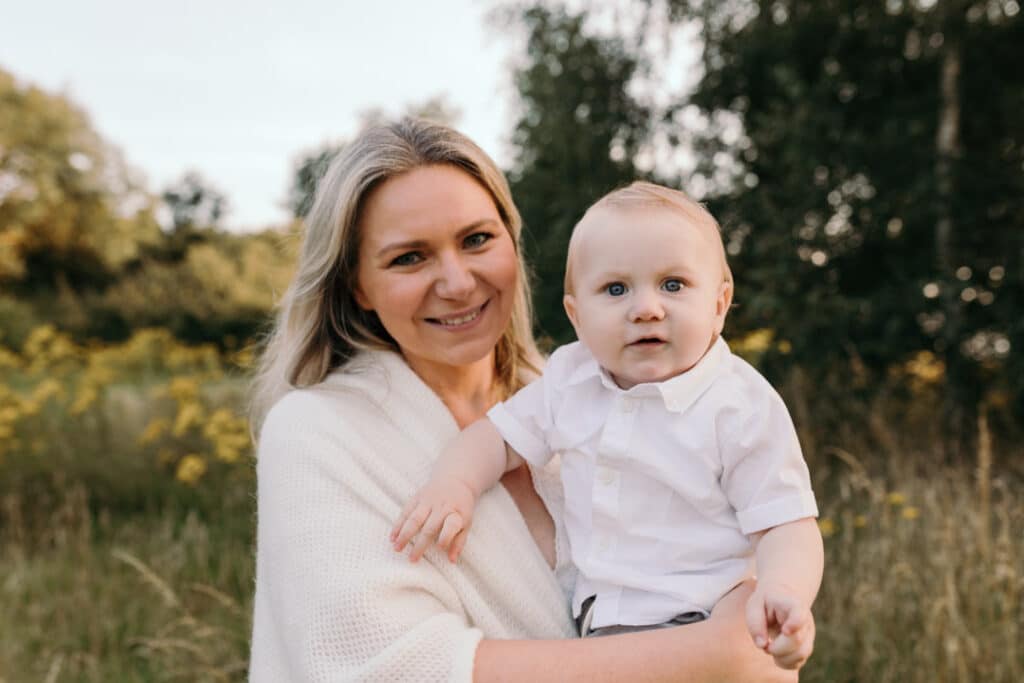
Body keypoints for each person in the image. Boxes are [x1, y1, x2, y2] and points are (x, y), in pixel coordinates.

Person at [248, 118, 805, 681]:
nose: (458, 282)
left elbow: (766, 535)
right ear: (357, 286)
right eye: (409, 258)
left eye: (476, 240)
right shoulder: (317, 430)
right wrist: (717, 654)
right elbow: (378, 667)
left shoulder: (586, 391)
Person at [392, 181, 824, 669]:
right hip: (602, 632)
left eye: (673, 285)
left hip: (705, 615)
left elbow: (785, 522)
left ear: (720, 304)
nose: (646, 308)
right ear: (577, 316)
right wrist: (455, 483)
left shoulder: (739, 405)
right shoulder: (570, 380)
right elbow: (495, 437)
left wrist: (783, 589)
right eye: (615, 289)